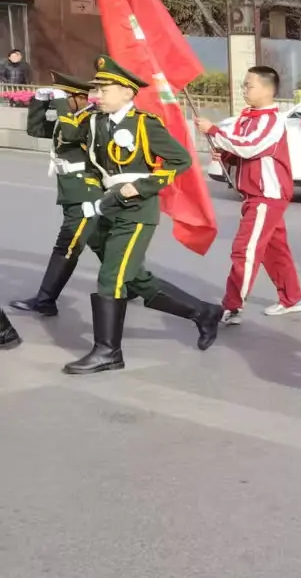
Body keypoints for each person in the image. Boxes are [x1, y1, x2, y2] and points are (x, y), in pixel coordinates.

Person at [62, 56, 223, 375]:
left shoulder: (144, 124)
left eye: (104, 89)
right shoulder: (94, 122)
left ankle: (108, 351)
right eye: (98, 90)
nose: (98, 95)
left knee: (112, 277)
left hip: (136, 211)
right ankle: (203, 312)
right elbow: (90, 164)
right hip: (106, 206)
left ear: (125, 92)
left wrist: (144, 185)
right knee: (132, 276)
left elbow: (180, 160)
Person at [197, 65, 301, 324]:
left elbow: (249, 147)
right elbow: (239, 151)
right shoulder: (249, 118)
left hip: (266, 196)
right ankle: (292, 298)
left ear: (268, 90)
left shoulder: (270, 120)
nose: (244, 89)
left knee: (245, 250)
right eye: (244, 85)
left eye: (249, 85)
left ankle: (231, 306)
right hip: (257, 195)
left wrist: (214, 131)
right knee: (273, 250)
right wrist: (223, 152)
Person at [10, 73, 99, 318]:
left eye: (65, 97)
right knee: (103, 245)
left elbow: (71, 135)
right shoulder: (69, 118)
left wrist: (60, 104)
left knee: (66, 247)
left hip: (86, 194)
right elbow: (36, 129)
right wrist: (39, 102)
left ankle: (45, 300)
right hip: (72, 194)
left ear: (80, 98)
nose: (60, 102)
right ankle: (134, 284)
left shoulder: (92, 119)